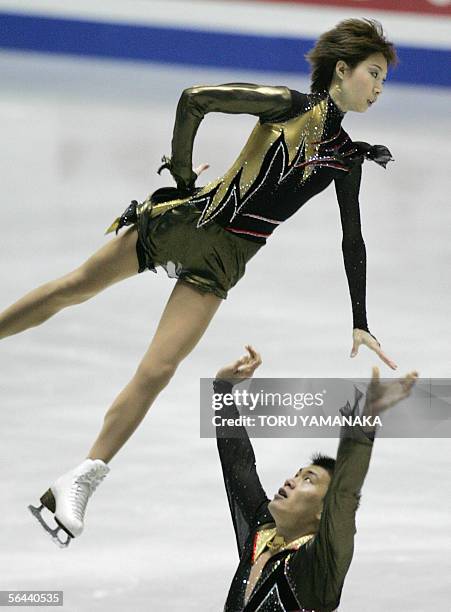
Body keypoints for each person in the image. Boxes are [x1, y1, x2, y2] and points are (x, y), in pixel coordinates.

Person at [2, 19, 398, 545]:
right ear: (341, 70)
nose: (377, 88)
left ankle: (80, 479)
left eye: (384, 81)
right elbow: (195, 98)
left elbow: (353, 238)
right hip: (192, 222)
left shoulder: (348, 158)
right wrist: (183, 176)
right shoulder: (286, 106)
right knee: (72, 288)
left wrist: (361, 320)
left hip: (227, 259)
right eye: (373, 74)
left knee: (159, 369)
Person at [214, 345, 417, 611]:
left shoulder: (317, 568)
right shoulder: (262, 529)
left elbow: (344, 495)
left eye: (308, 480)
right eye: (297, 475)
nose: (290, 481)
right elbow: (238, 466)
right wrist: (223, 390)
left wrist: (364, 426)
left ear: (324, 511)